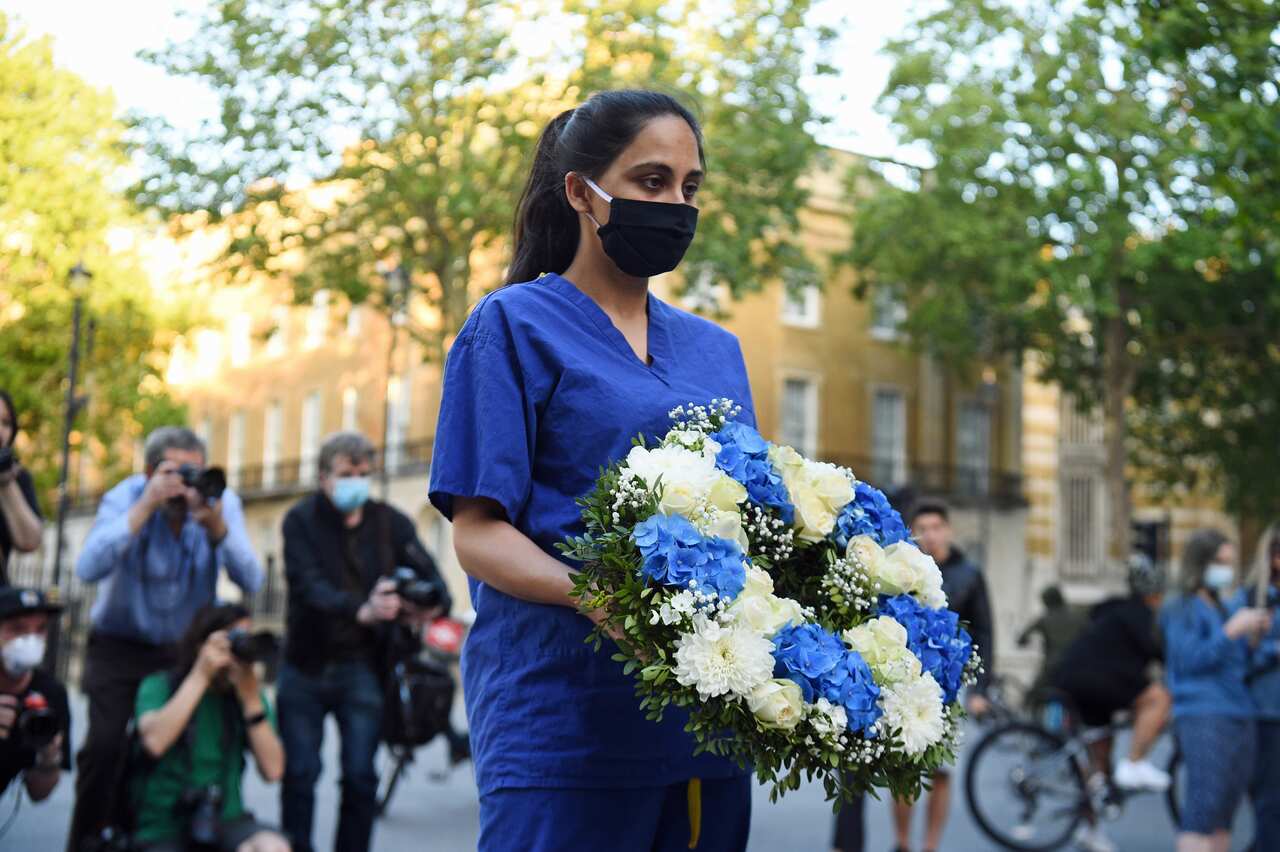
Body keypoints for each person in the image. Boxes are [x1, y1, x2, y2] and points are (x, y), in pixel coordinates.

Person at [429, 90, 756, 852]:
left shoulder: (719, 352)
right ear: (581, 192)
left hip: (706, 733)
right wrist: (600, 598)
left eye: (689, 187)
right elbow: (478, 534)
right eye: (650, 181)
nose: (675, 203)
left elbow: (752, 523)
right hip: (562, 727)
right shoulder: (510, 327)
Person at [69, 427, 262, 851]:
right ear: (148, 471)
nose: (184, 484)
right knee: (104, 750)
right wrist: (145, 506)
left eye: (193, 471)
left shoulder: (220, 502)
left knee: (169, 753)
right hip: (118, 646)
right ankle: (86, 841)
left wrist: (217, 528)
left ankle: (148, 838)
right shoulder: (127, 496)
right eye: (174, 472)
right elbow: (87, 568)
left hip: (179, 650)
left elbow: (252, 578)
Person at [277, 431, 450, 852]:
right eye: (345, 474)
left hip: (365, 665)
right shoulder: (299, 521)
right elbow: (308, 587)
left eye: (362, 473)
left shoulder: (391, 523)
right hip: (306, 663)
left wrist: (420, 608)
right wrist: (364, 609)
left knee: (360, 776)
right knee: (300, 772)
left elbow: (436, 585)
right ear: (323, 478)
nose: (355, 481)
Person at [132, 602, 289, 852]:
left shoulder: (248, 697)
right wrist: (201, 674)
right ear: (201, 645)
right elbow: (154, 743)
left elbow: (273, 771)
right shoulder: (161, 685)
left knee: (273, 848)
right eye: (233, 640)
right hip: (164, 827)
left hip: (226, 820)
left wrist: (250, 699)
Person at [887, 499, 993, 852]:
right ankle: (902, 843)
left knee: (942, 772)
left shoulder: (970, 575)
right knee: (905, 766)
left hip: (953, 687)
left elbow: (986, 634)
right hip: (909, 684)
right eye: (923, 529)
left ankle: (931, 845)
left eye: (935, 528)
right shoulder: (905, 572)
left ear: (947, 529)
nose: (930, 535)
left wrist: (981, 690)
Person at [1050, 554, 1172, 852]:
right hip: (1096, 683)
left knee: (1099, 760)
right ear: (1154, 595)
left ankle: (1088, 830)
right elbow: (1157, 651)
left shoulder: (1113, 609)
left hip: (1082, 681)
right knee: (1160, 697)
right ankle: (1134, 763)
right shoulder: (1138, 613)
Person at [1162, 528, 1271, 852]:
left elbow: (1239, 662)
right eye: (1220, 562)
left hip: (1240, 712)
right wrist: (1230, 631)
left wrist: (1261, 641)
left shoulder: (1222, 607)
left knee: (1225, 811)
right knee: (1203, 804)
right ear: (1199, 564)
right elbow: (1189, 660)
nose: (1227, 570)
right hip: (1203, 714)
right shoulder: (1180, 607)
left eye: (1230, 562)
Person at [1230, 525, 1280, 852]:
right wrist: (1273, 651)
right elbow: (1233, 658)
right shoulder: (1251, 599)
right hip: (1266, 717)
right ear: (1276, 558)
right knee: (1270, 803)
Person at [0, 587, 70, 802]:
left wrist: (48, 759)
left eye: (40, 629)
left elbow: (38, 794)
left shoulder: (50, 694)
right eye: (17, 629)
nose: (30, 639)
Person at [0, 391, 43, 586]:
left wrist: (6, 483)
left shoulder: (18, 478)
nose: (0, 431)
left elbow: (30, 542)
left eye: (6, 423)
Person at [1017, 584, 1088, 696]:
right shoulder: (1078, 616)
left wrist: (1025, 642)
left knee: (1031, 697)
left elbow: (1021, 638)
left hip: (1052, 668)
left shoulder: (1045, 618)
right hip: (1076, 666)